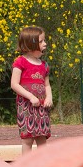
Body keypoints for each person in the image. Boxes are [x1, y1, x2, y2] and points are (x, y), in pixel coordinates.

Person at [10, 26, 53, 154]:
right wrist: (30, 96)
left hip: (41, 107)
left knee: (42, 138)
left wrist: (49, 97)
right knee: (27, 139)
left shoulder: (44, 65)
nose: (45, 43)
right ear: (31, 43)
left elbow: (47, 85)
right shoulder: (20, 62)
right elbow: (14, 84)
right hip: (26, 107)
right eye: (41, 41)